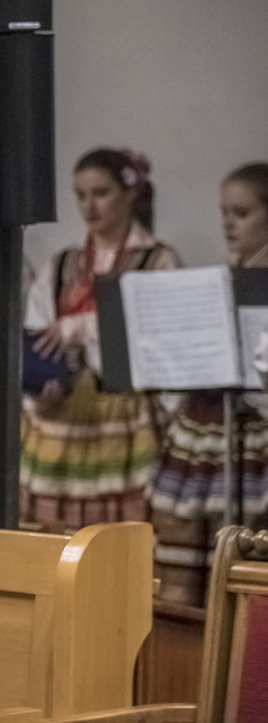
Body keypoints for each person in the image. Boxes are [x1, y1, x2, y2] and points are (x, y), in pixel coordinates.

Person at [20, 147, 180, 532]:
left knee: (122, 532)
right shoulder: (61, 264)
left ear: (130, 193)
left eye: (101, 193)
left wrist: (80, 327)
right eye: (81, 195)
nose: (89, 206)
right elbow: (38, 332)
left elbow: (157, 336)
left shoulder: (158, 261)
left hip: (126, 413)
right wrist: (39, 388)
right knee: (52, 532)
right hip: (60, 413)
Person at [151, 162, 268, 608]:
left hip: (254, 433)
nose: (229, 224)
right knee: (182, 563)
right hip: (202, 430)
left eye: (242, 213)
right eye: (224, 213)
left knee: (245, 564)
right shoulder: (218, 279)